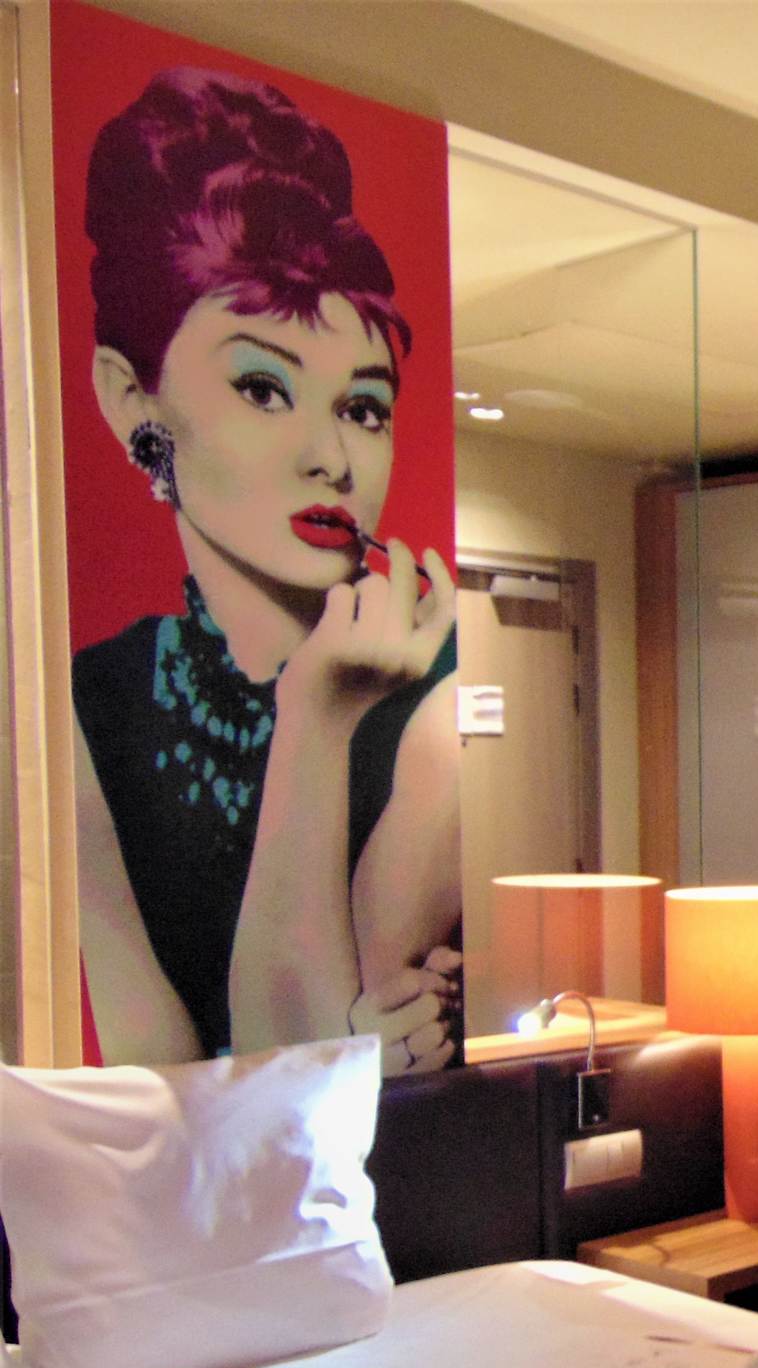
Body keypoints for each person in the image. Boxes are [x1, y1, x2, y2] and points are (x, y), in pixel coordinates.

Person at [72, 66, 460, 1073]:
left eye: (363, 407)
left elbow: (299, 1077)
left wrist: (319, 718)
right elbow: (159, 1078)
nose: (330, 457)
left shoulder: (442, 694)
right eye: (263, 387)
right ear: (132, 401)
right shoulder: (89, 705)